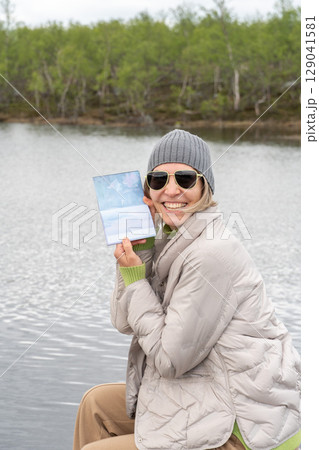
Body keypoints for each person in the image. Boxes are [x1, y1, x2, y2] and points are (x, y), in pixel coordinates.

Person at [73, 129, 301, 450]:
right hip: (199, 392)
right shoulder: (171, 239)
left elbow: (168, 359)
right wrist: (140, 253)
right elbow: (124, 321)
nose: (171, 190)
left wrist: (135, 278)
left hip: (241, 416)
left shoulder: (211, 253)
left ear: (205, 186)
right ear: (148, 190)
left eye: (184, 178)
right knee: (95, 405)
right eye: (158, 180)